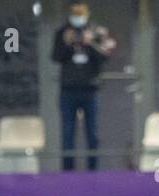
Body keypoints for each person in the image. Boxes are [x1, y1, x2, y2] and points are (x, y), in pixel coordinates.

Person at [52, 2, 116, 171]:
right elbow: (55, 57)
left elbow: (105, 57)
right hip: (68, 90)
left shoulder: (96, 32)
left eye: (81, 13)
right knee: (67, 135)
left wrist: (90, 43)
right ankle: (68, 173)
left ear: (87, 14)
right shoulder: (62, 33)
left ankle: (92, 172)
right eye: (75, 13)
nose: (78, 17)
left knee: (93, 135)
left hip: (90, 90)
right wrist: (67, 43)